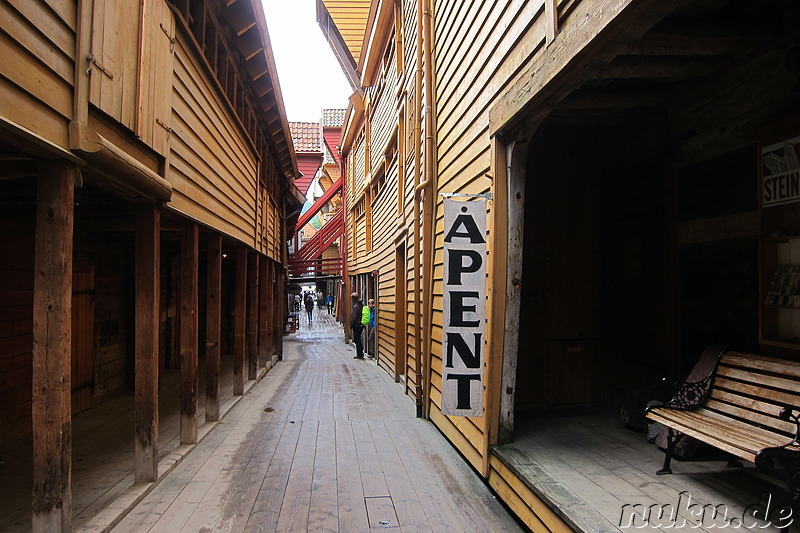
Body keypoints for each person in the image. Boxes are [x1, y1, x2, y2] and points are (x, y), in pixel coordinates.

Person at [350, 293, 365, 359]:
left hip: (357, 325)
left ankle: (360, 354)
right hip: (361, 324)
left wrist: (351, 325)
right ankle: (361, 353)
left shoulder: (355, 306)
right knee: (358, 339)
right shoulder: (361, 304)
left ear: (353, 299)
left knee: (357, 339)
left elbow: (354, 317)